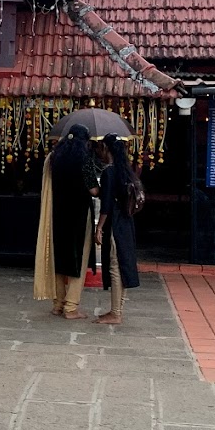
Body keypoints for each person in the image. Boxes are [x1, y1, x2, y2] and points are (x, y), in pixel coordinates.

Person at [33, 125, 97, 319]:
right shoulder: (84, 160)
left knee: (59, 259)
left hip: (57, 213)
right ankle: (71, 307)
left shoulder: (53, 158)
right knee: (78, 258)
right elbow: (93, 190)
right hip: (79, 215)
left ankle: (58, 304)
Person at [93, 134, 140, 324]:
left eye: (99, 148)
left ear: (106, 149)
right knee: (122, 264)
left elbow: (105, 206)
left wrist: (99, 228)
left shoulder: (109, 172)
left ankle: (115, 313)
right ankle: (117, 309)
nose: (98, 153)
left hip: (115, 223)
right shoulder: (127, 171)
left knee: (114, 266)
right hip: (127, 222)